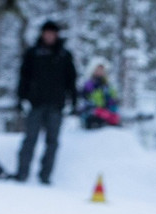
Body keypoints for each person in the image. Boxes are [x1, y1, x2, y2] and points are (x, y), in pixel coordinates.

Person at [15, 19, 77, 184]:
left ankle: (45, 176)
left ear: (56, 35)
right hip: (36, 103)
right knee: (30, 139)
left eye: (52, 33)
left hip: (56, 105)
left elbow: (71, 80)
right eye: (46, 33)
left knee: (52, 142)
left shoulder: (64, 55)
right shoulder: (33, 53)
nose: (49, 36)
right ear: (42, 34)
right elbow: (23, 77)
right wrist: (21, 98)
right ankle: (22, 173)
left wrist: (73, 100)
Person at [80, 58, 120, 128]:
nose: (100, 72)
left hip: (106, 112)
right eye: (97, 70)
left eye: (102, 70)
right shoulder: (89, 84)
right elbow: (85, 100)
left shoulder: (107, 85)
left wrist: (111, 109)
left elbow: (112, 99)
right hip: (91, 113)